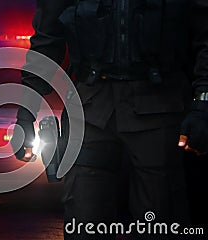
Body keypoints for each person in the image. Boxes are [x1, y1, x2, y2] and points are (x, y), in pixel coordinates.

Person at [11, 0, 208, 239]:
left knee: (161, 222)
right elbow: (47, 38)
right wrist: (26, 109)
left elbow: (204, 37)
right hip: (90, 112)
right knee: (84, 222)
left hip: (160, 109)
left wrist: (202, 104)